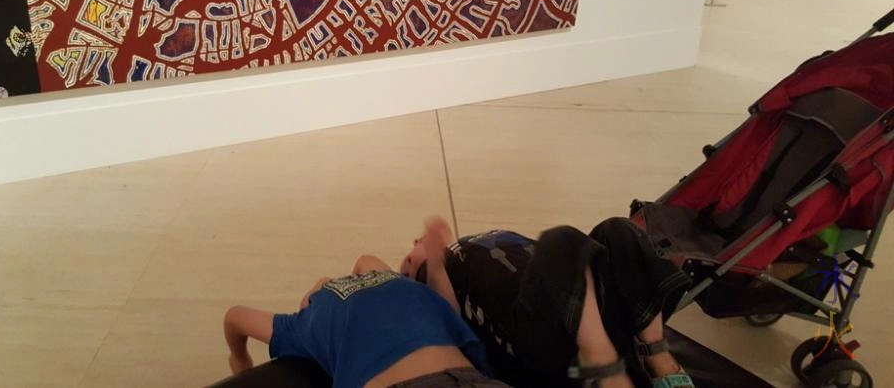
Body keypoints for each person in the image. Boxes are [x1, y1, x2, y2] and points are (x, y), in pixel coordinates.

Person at [400, 216, 697, 388]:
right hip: (537, 338)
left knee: (616, 230)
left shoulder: (470, 245)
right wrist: (435, 266)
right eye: (409, 264)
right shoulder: (439, 272)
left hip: (588, 318)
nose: (414, 244)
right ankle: (601, 363)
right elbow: (450, 318)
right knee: (560, 238)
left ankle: (654, 353)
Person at [223, 252, 512, 388]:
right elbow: (366, 260)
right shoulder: (409, 290)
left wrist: (240, 362)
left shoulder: (304, 323)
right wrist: (433, 264)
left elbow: (234, 317)